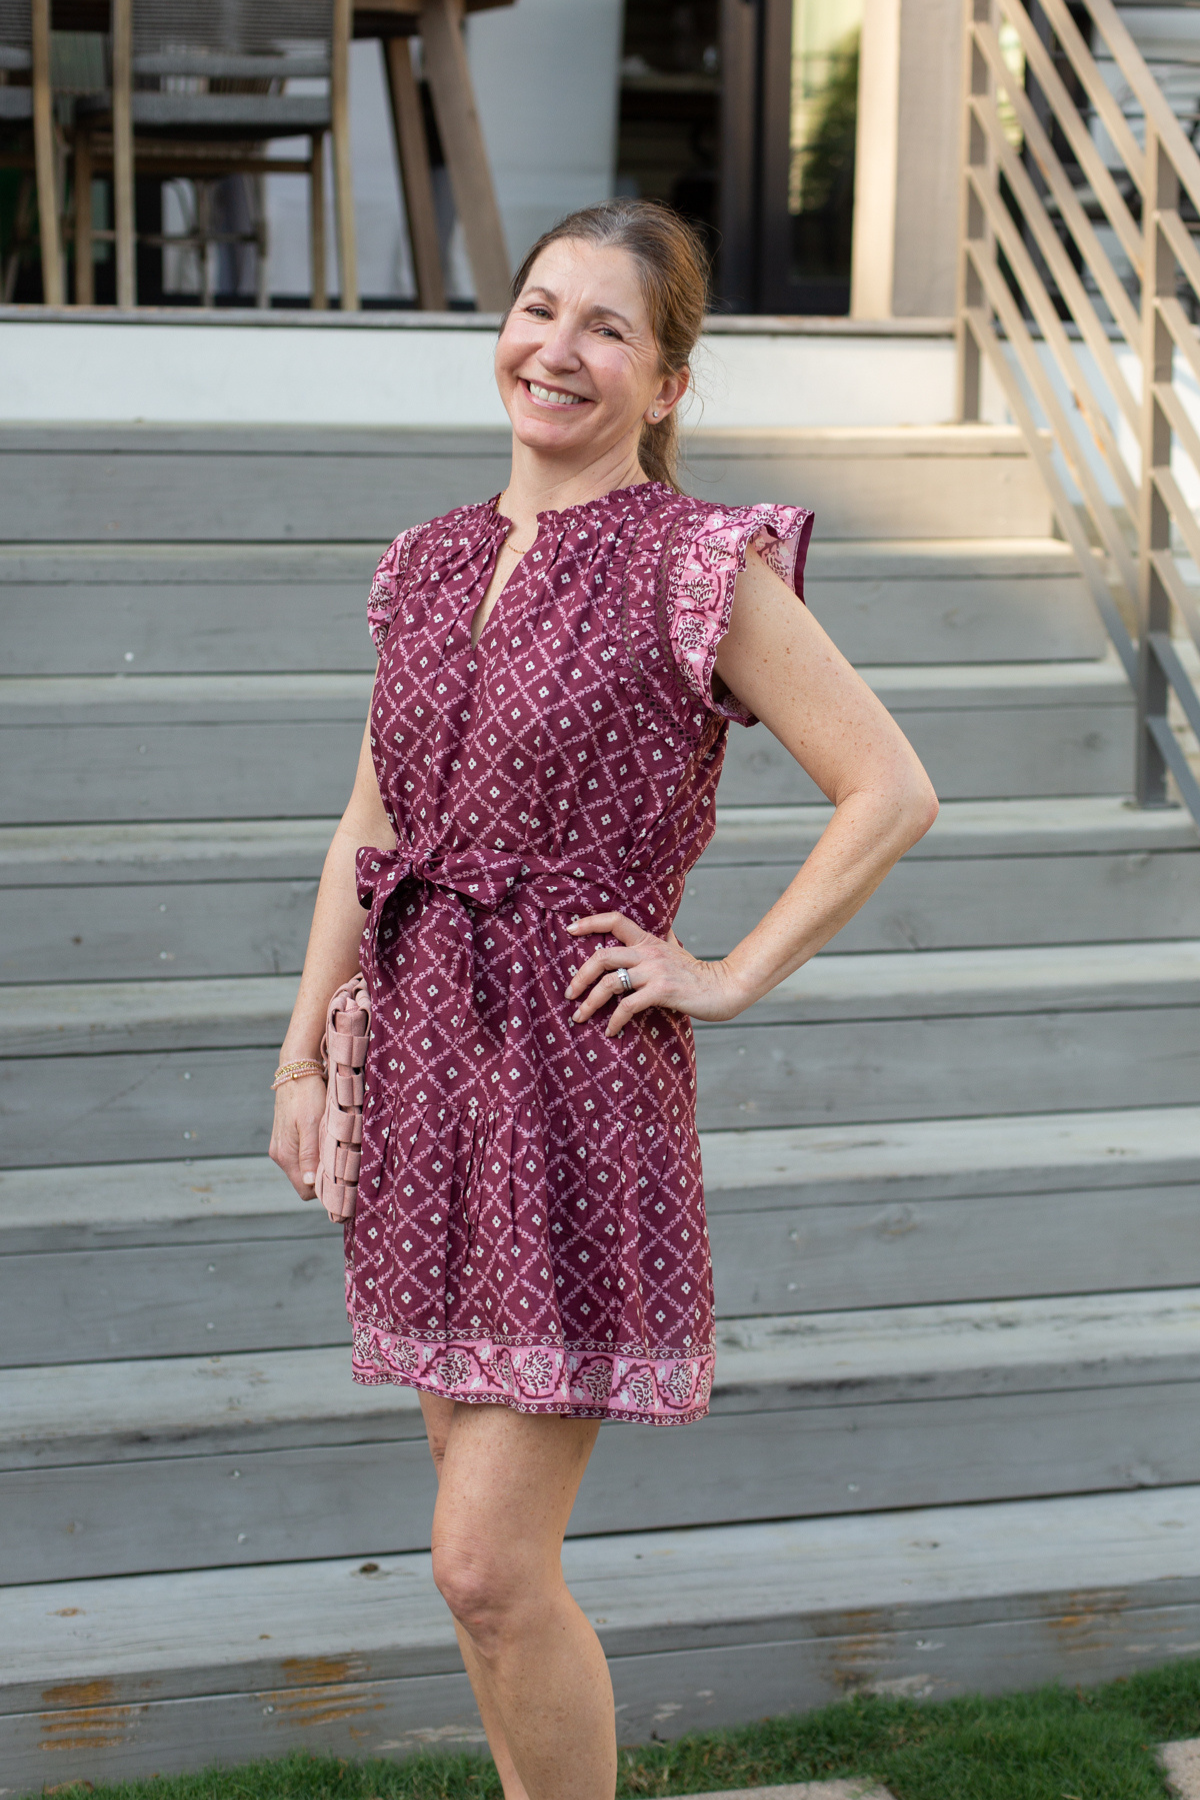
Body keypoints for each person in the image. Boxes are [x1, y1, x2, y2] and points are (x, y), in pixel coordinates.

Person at [269, 198, 938, 1800]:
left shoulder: (694, 565)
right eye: (536, 308)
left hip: (571, 1082)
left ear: (667, 384)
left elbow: (891, 789)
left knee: (484, 1566)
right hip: (422, 1065)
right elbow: (372, 827)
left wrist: (722, 971)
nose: (554, 349)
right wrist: (300, 1050)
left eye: (607, 328)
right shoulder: (425, 565)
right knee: (484, 1578)